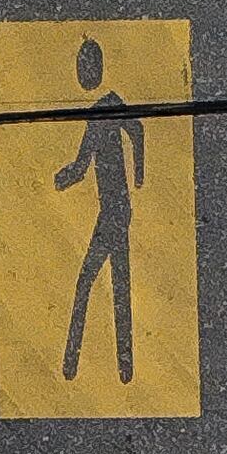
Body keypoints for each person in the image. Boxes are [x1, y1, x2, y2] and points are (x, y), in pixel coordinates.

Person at [52, 38, 147, 386]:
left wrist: (139, 176)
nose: (82, 73)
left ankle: (76, 365)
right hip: (113, 210)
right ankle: (121, 370)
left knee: (92, 283)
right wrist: (65, 178)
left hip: (115, 212)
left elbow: (136, 129)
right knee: (113, 286)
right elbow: (83, 164)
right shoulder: (100, 111)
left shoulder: (105, 106)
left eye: (85, 66)